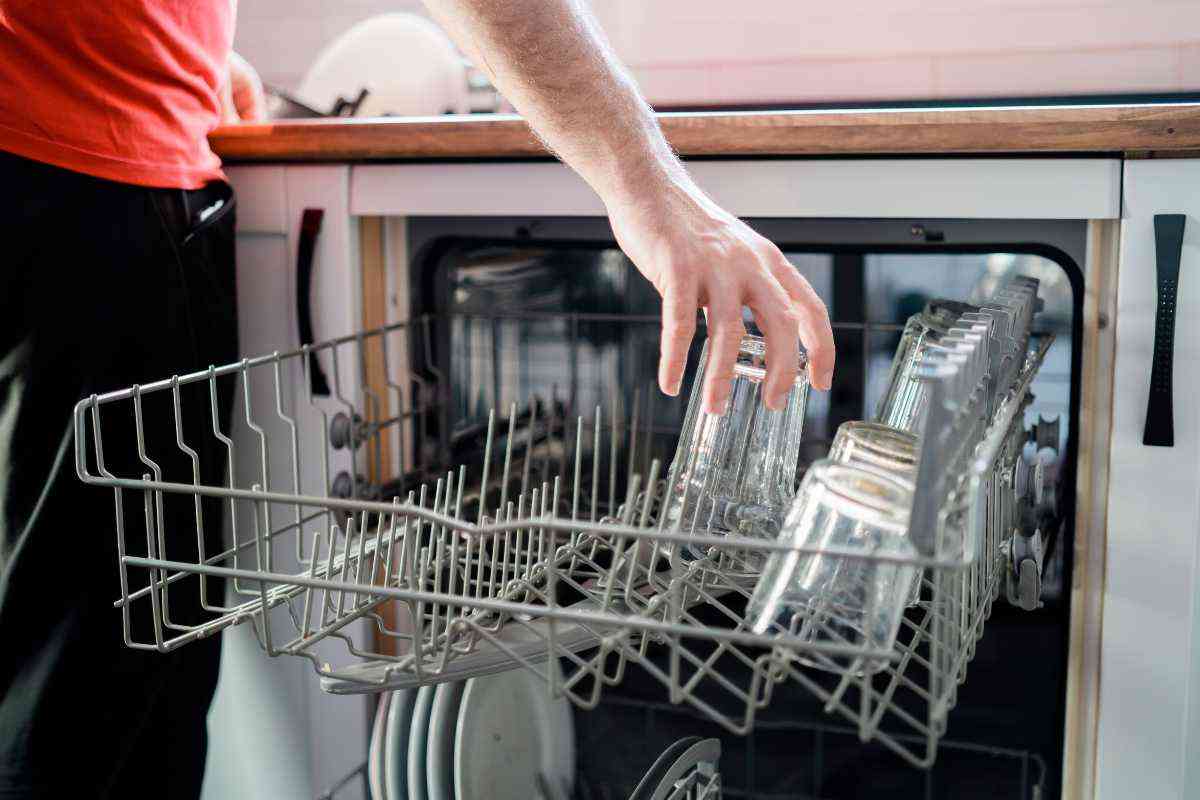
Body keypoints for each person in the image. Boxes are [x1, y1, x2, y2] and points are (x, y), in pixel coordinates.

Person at [0, 1, 834, 796]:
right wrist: (650, 183)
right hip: (80, 182)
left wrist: (170, 53)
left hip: (62, 143)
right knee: (82, 727)